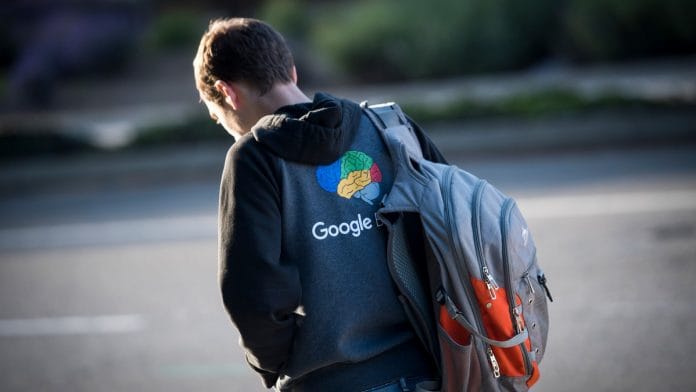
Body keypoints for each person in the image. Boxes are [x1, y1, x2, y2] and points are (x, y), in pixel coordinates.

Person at [193, 17, 448, 392]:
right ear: (291, 73)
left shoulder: (254, 156)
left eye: (221, 119)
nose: (231, 129)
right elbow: (450, 232)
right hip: (432, 368)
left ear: (227, 93)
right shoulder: (388, 126)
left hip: (332, 379)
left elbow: (253, 294)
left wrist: (280, 363)